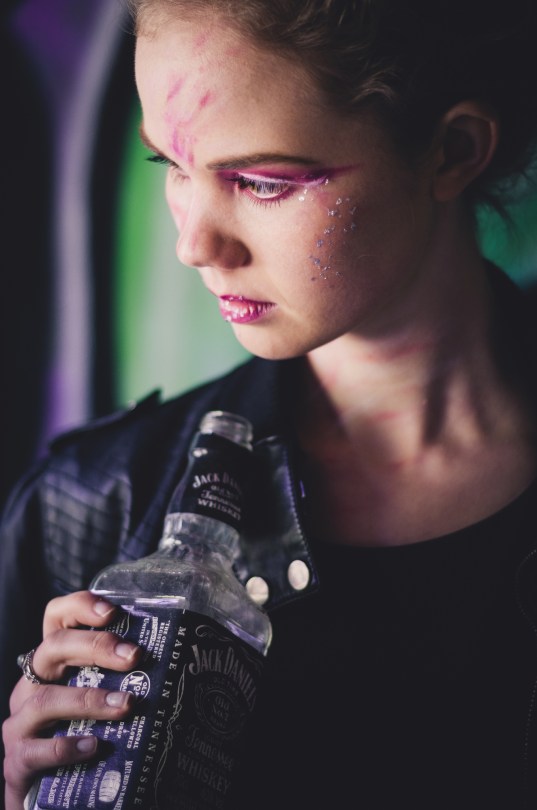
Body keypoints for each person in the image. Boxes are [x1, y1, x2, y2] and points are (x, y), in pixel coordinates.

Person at [2, 0, 537, 807]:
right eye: (169, 165)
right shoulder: (87, 506)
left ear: (452, 150)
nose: (194, 244)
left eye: (261, 182)